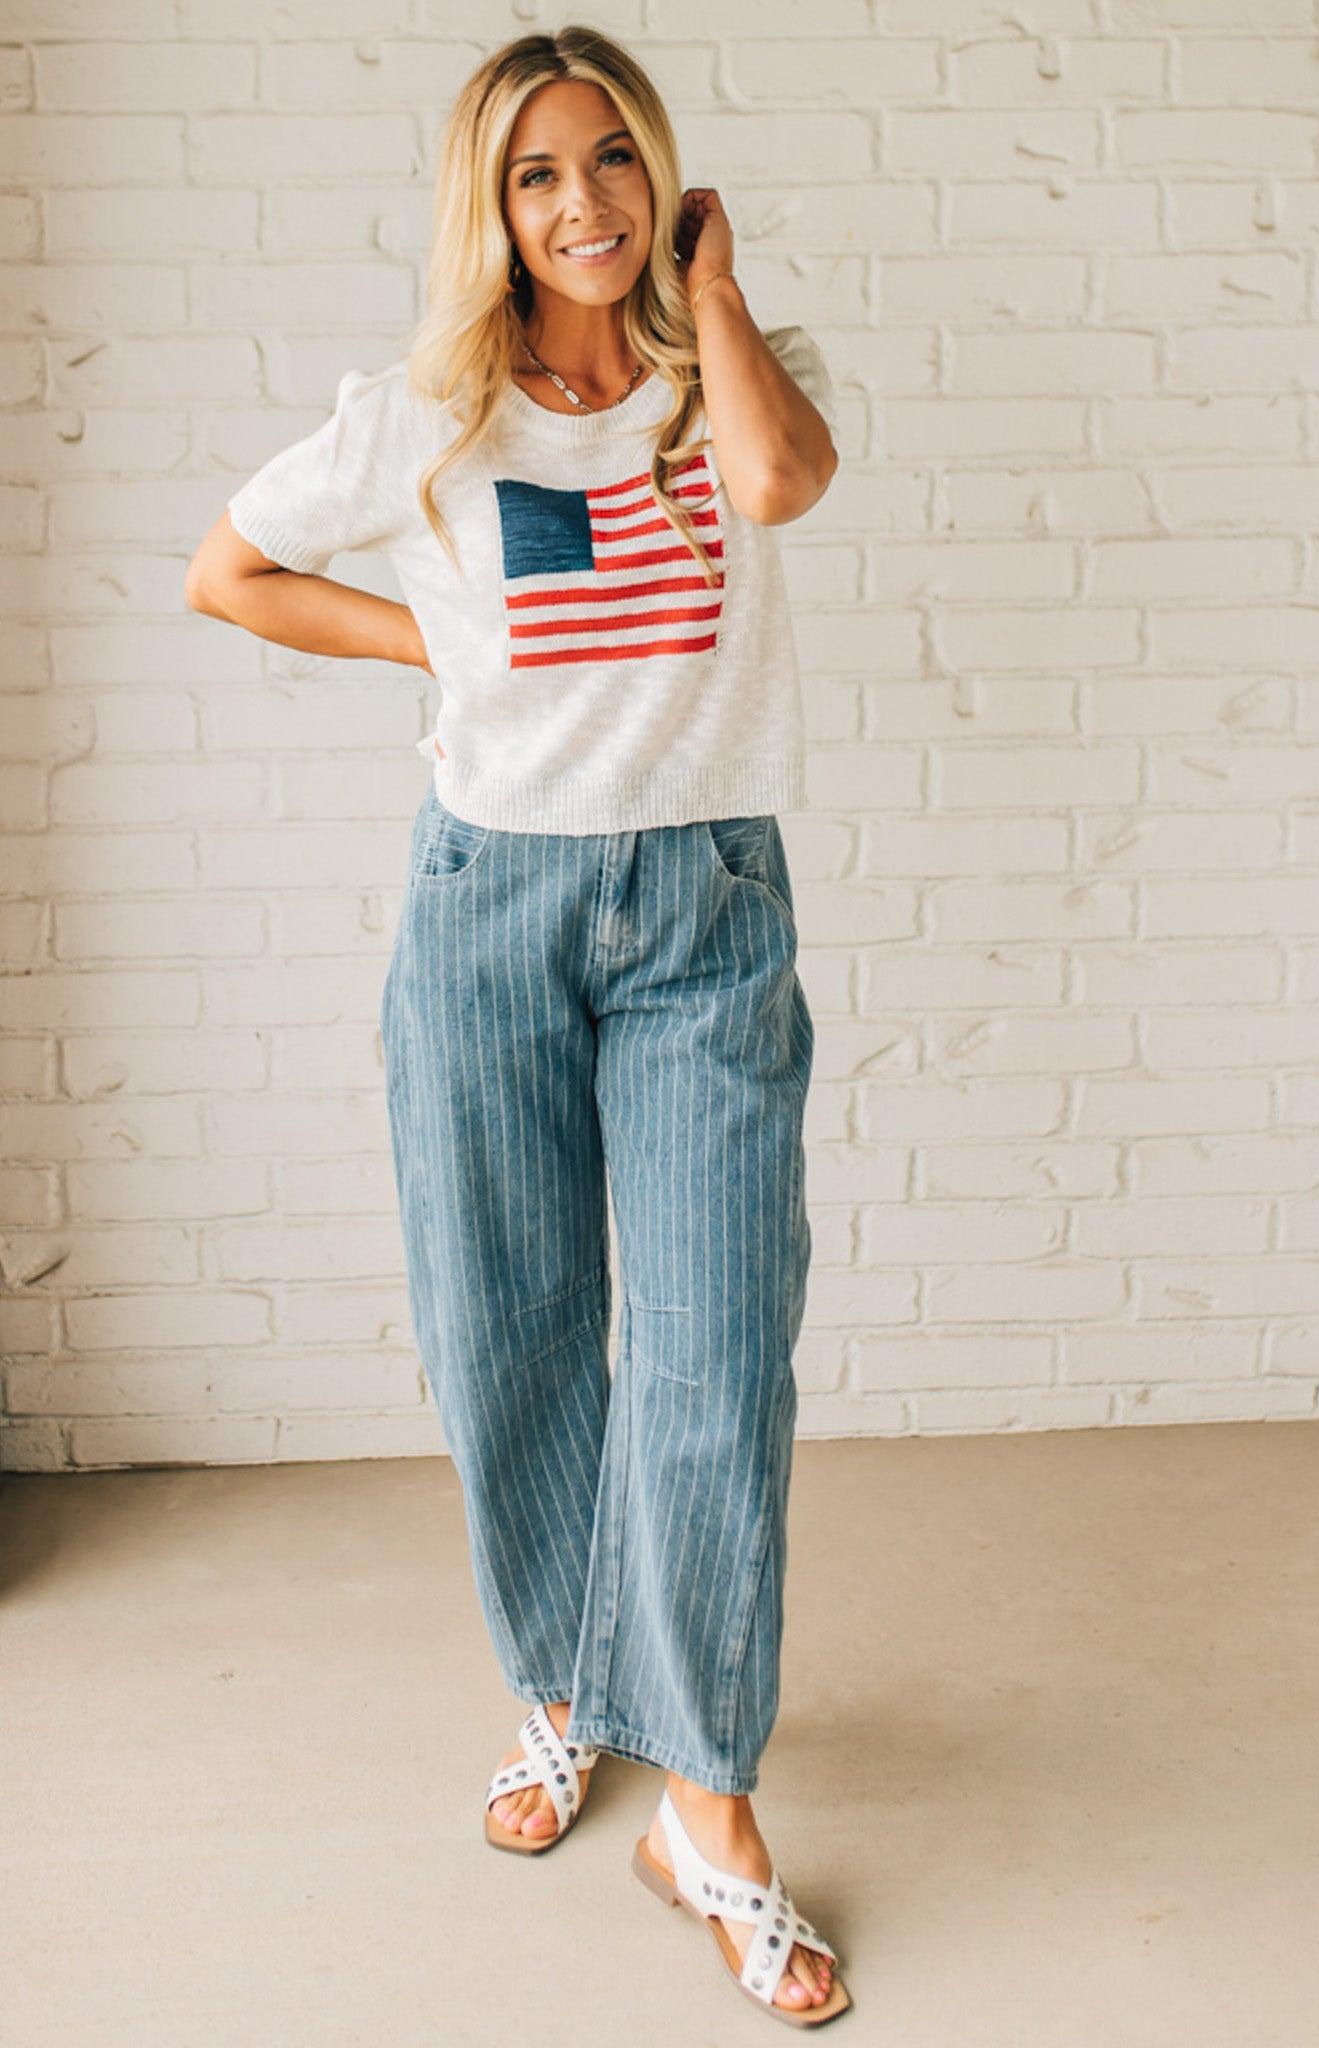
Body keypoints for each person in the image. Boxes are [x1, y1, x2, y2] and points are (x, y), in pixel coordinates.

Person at [185, 23, 849, 2028]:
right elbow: (232, 573)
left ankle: (707, 1811)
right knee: (512, 1323)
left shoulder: (717, 382)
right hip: (488, 905)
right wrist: (440, 636)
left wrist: (710, 294)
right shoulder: (421, 415)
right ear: (488, 202)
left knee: (715, 1360)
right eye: (538, 174)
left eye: (612, 163)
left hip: (703, 909)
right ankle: (567, 1688)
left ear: (662, 177)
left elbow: (778, 483)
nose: (581, 205)